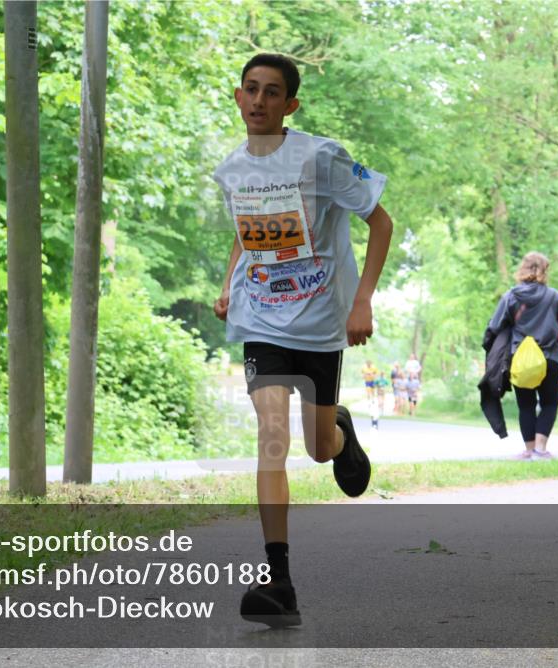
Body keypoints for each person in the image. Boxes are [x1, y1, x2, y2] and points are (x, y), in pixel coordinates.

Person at [212, 53, 393, 628]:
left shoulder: (323, 157)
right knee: (271, 437)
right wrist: (227, 288)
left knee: (315, 449)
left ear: (290, 104)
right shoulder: (231, 170)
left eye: (272, 93)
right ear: (238, 97)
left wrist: (362, 299)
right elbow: (247, 236)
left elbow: (381, 223)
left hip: (319, 324)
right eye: (251, 90)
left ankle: (339, 430)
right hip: (260, 319)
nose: (259, 101)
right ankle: (279, 581)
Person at [484, 252, 558, 460]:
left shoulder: (512, 295)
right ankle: (541, 449)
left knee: (526, 405)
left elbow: (495, 324)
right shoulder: (554, 296)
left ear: (523, 268)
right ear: (545, 270)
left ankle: (529, 450)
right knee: (549, 403)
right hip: (549, 357)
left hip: (520, 359)